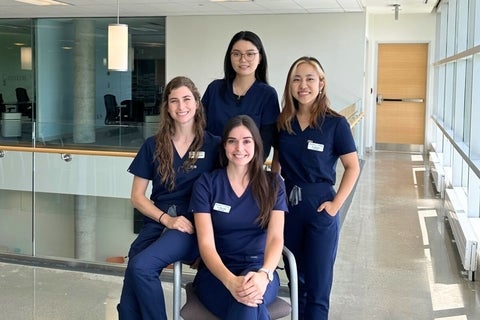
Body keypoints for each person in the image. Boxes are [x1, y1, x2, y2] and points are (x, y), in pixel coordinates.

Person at [117, 76, 221, 320]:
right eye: (174, 101)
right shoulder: (153, 145)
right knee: (134, 266)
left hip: (192, 225)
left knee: (141, 267)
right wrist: (166, 219)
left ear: (196, 103)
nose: (181, 106)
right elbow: (137, 197)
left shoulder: (214, 145)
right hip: (159, 221)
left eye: (186, 99)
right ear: (167, 107)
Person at [272, 57, 360, 320]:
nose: (303, 85)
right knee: (296, 283)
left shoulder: (335, 124)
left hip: (321, 207)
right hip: (288, 209)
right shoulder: (283, 122)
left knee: (318, 286)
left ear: (321, 83)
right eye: (296, 79)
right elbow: (276, 165)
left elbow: (352, 167)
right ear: (290, 85)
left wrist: (335, 206)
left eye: (310, 78)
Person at [189, 115, 288, 319]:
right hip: (216, 274)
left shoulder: (274, 184)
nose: (239, 148)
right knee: (248, 305)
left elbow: (276, 237)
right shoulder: (206, 184)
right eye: (232, 141)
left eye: (246, 141)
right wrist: (230, 281)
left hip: (260, 271)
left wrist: (264, 274)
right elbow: (206, 244)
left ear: (257, 145)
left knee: (247, 302)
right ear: (224, 146)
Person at [202, 30, 280, 160]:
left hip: (248, 171)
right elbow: (199, 129)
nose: (243, 59)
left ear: (260, 57)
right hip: (213, 169)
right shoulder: (214, 89)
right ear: (230, 57)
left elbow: (266, 142)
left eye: (250, 54)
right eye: (236, 54)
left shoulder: (267, 95)